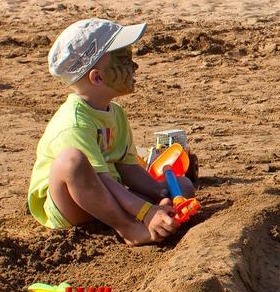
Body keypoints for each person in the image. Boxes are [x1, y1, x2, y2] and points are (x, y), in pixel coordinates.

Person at [27, 19, 191, 245]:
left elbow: (128, 168)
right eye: (125, 60)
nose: (135, 67)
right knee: (71, 161)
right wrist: (145, 212)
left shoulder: (115, 113)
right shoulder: (73, 122)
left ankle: (137, 216)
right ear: (97, 77)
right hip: (73, 206)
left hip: (108, 197)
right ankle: (129, 229)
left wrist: (160, 195)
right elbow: (103, 181)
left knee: (182, 186)